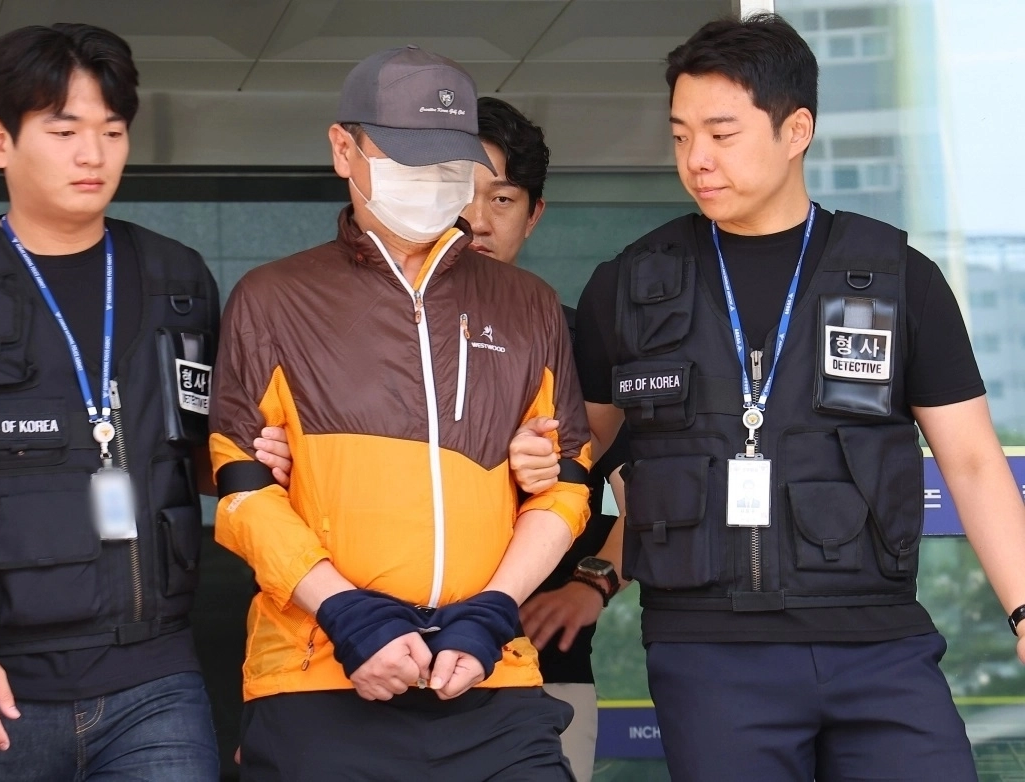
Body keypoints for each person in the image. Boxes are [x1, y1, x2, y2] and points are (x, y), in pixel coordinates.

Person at [511, 13, 1025, 781]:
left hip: (879, 643)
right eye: (681, 136)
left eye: (722, 134)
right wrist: (545, 467)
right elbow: (580, 447)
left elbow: (975, 463)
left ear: (796, 131)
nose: (697, 159)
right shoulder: (632, 286)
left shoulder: (896, 278)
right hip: (708, 651)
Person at [209, 45, 592, 780]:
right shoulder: (273, 298)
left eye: (448, 163)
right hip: (319, 673)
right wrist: (345, 613)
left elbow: (569, 481)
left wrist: (495, 610)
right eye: (407, 158)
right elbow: (241, 486)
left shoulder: (528, 305)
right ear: (343, 150)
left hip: (491, 675)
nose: (432, 180)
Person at [0, 23, 228, 780]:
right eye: (64, 130)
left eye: (113, 131)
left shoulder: (178, 278)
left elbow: (205, 458)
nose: (92, 154)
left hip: (155, 680)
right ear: (0, 141)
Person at [463, 95, 627, 782]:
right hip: (379, 666)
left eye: (501, 199)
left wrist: (595, 581)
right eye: (460, 192)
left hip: (541, 670)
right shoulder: (368, 331)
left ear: (533, 215)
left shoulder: (574, 339)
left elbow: (651, 493)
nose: (477, 219)